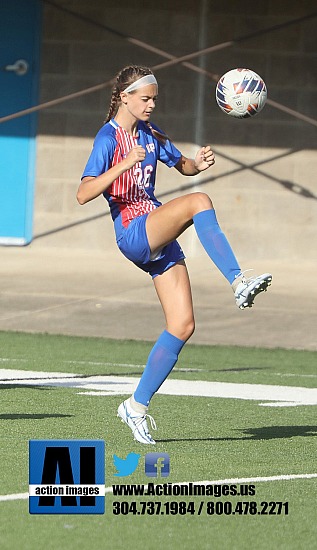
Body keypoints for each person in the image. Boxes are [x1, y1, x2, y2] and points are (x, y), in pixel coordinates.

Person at [77, 65, 272, 445]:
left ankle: (135, 406)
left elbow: (180, 164)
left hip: (157, 233)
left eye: (154, 99)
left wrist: (196, 164)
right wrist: (123, 164)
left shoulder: (151, 134)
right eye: (145, 99)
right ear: (124, 97)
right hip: (135, 232)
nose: (151, 105)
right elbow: (83, 193)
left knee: (182, 325)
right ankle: (237, 280)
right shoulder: (108, 138)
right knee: (199, 201)